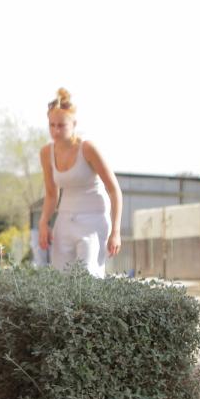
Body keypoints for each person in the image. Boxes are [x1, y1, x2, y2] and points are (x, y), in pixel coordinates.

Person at [35, 88, 122, 277]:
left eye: (61, 125)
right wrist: (43, 222)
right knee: (61, 278)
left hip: (93, 220)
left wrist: (116, 231)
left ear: (73, 124)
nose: (55, 131)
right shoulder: (46, 153)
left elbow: (114, 190)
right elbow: (51, 194)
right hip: (65, 220)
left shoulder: (88, 149)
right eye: (52, 125)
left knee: (88, 275)